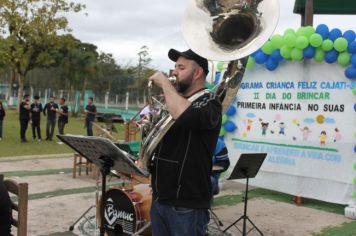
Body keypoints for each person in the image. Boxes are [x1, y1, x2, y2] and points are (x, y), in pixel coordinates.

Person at [147, 49, 222, 236]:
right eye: (174, 67)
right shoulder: (177, 103)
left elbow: (188, 116)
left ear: (197, 73)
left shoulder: (210, 102)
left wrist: (165, 83)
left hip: (187, 205)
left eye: (181, 67)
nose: (174, 72)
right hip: (160, 198)